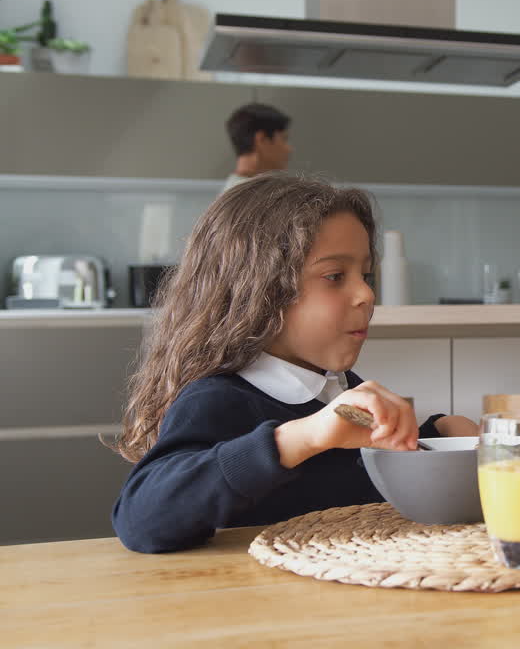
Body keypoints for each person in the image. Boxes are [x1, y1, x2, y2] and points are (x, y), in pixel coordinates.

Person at [112, 175, 477, 553]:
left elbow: (351, 477)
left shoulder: (334, 386)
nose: (367, 294)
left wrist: (437, 434)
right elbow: (140, 520)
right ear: (260, 291)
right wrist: (303, 438)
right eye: (335, 276)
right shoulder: (219, 399)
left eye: (365, 275)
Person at [221, 103, 293, 194]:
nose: (289, 149)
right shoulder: (251, 197)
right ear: (262, 139)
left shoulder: (235, 193)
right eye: (283, 139)